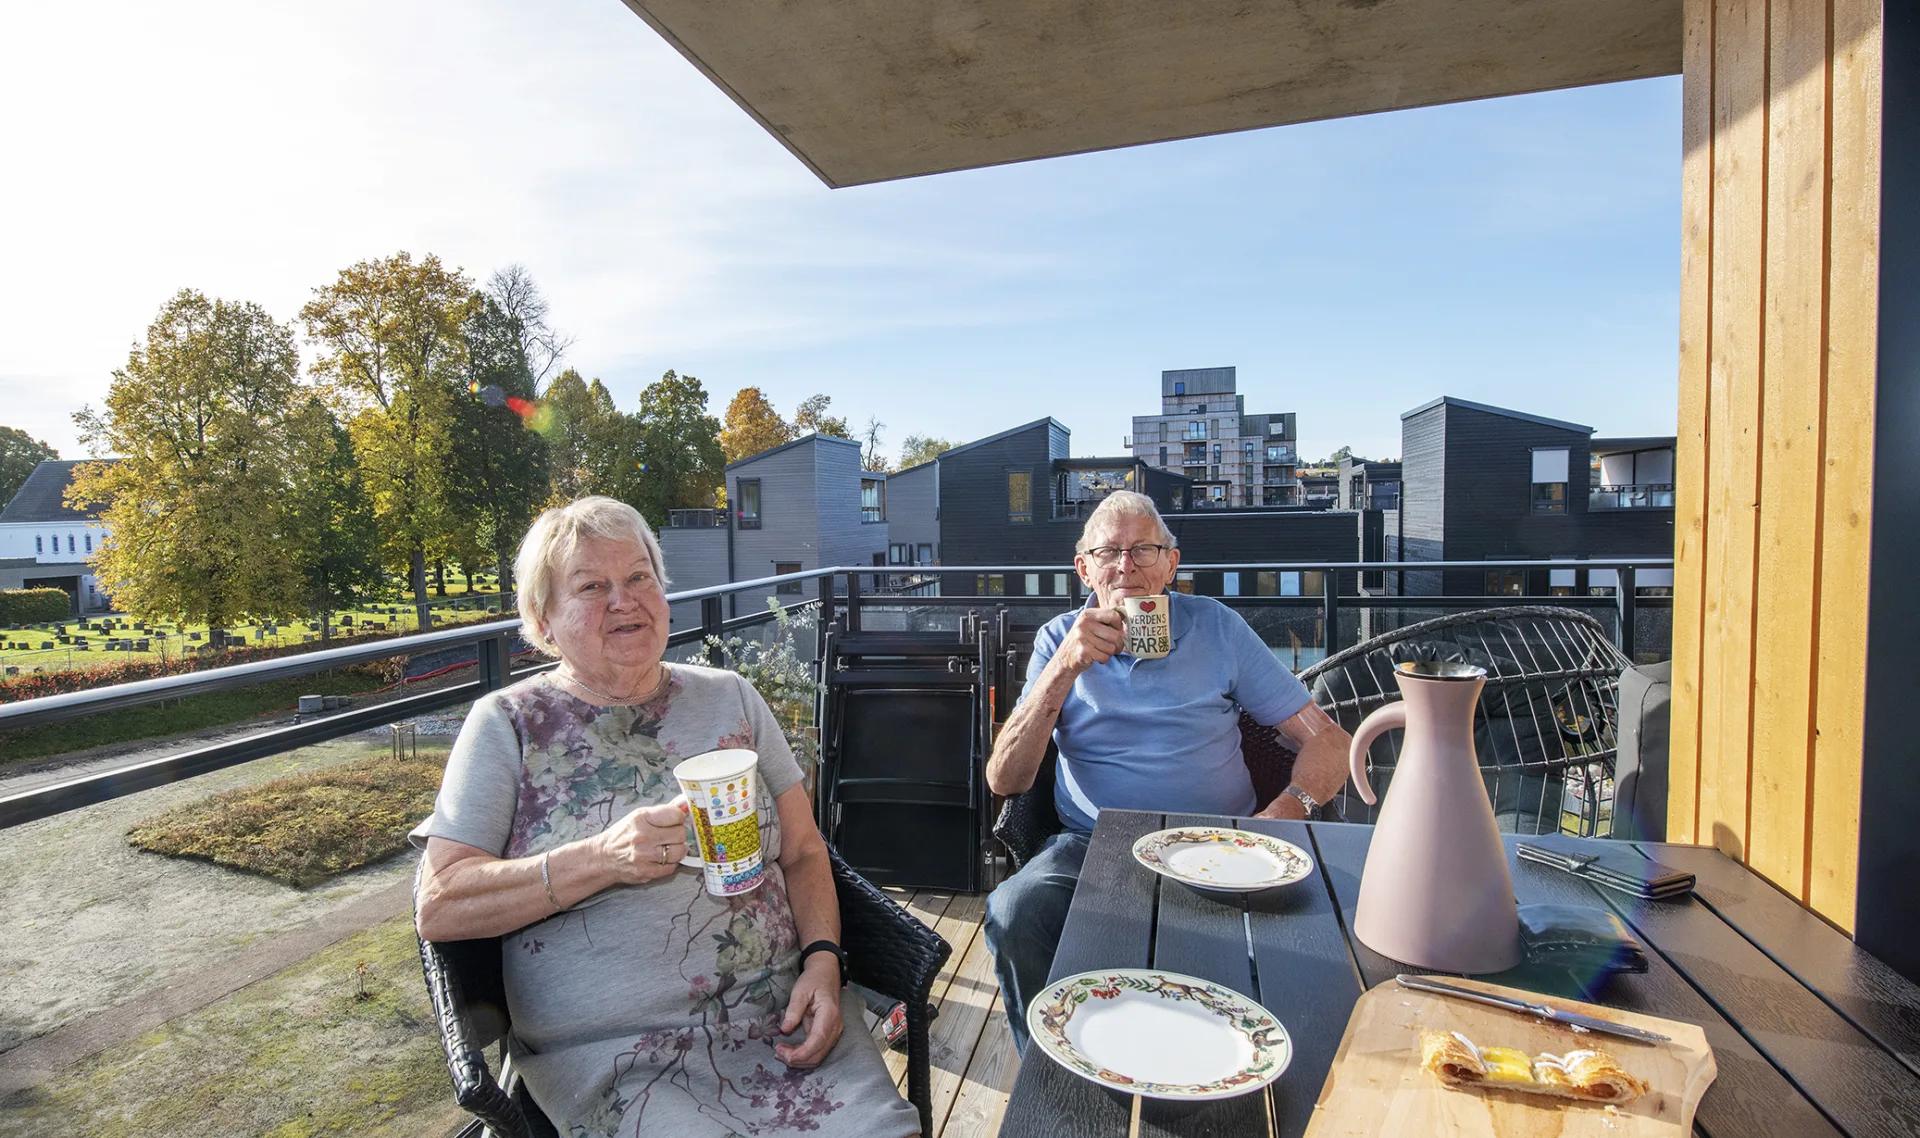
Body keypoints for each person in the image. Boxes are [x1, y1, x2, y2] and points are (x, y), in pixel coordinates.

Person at [412, 497, 919, 1138]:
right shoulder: (507, 726)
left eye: (639, 577)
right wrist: (599, 859)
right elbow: (442, 903)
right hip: (615, 1053)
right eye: (592, 586)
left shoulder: (730, 696)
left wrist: (823, 961)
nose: (624, 601)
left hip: (779, 1021)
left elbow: (803, 852)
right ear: (543, 618)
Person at [983, 491, 1354, 1054]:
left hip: (1218, 844)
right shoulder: (1058, 639)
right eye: (1108, 553)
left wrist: (1282, 815)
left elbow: (1329, 739)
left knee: (1310, 950)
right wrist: (1065, 668)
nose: (1126, 566)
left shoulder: (1218, 628)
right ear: (1084, 569)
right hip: (1091, 843)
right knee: (1014, 911)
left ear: (1172, 565)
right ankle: (1054, 1078)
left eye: (1144, 550)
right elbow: (1005, 780)